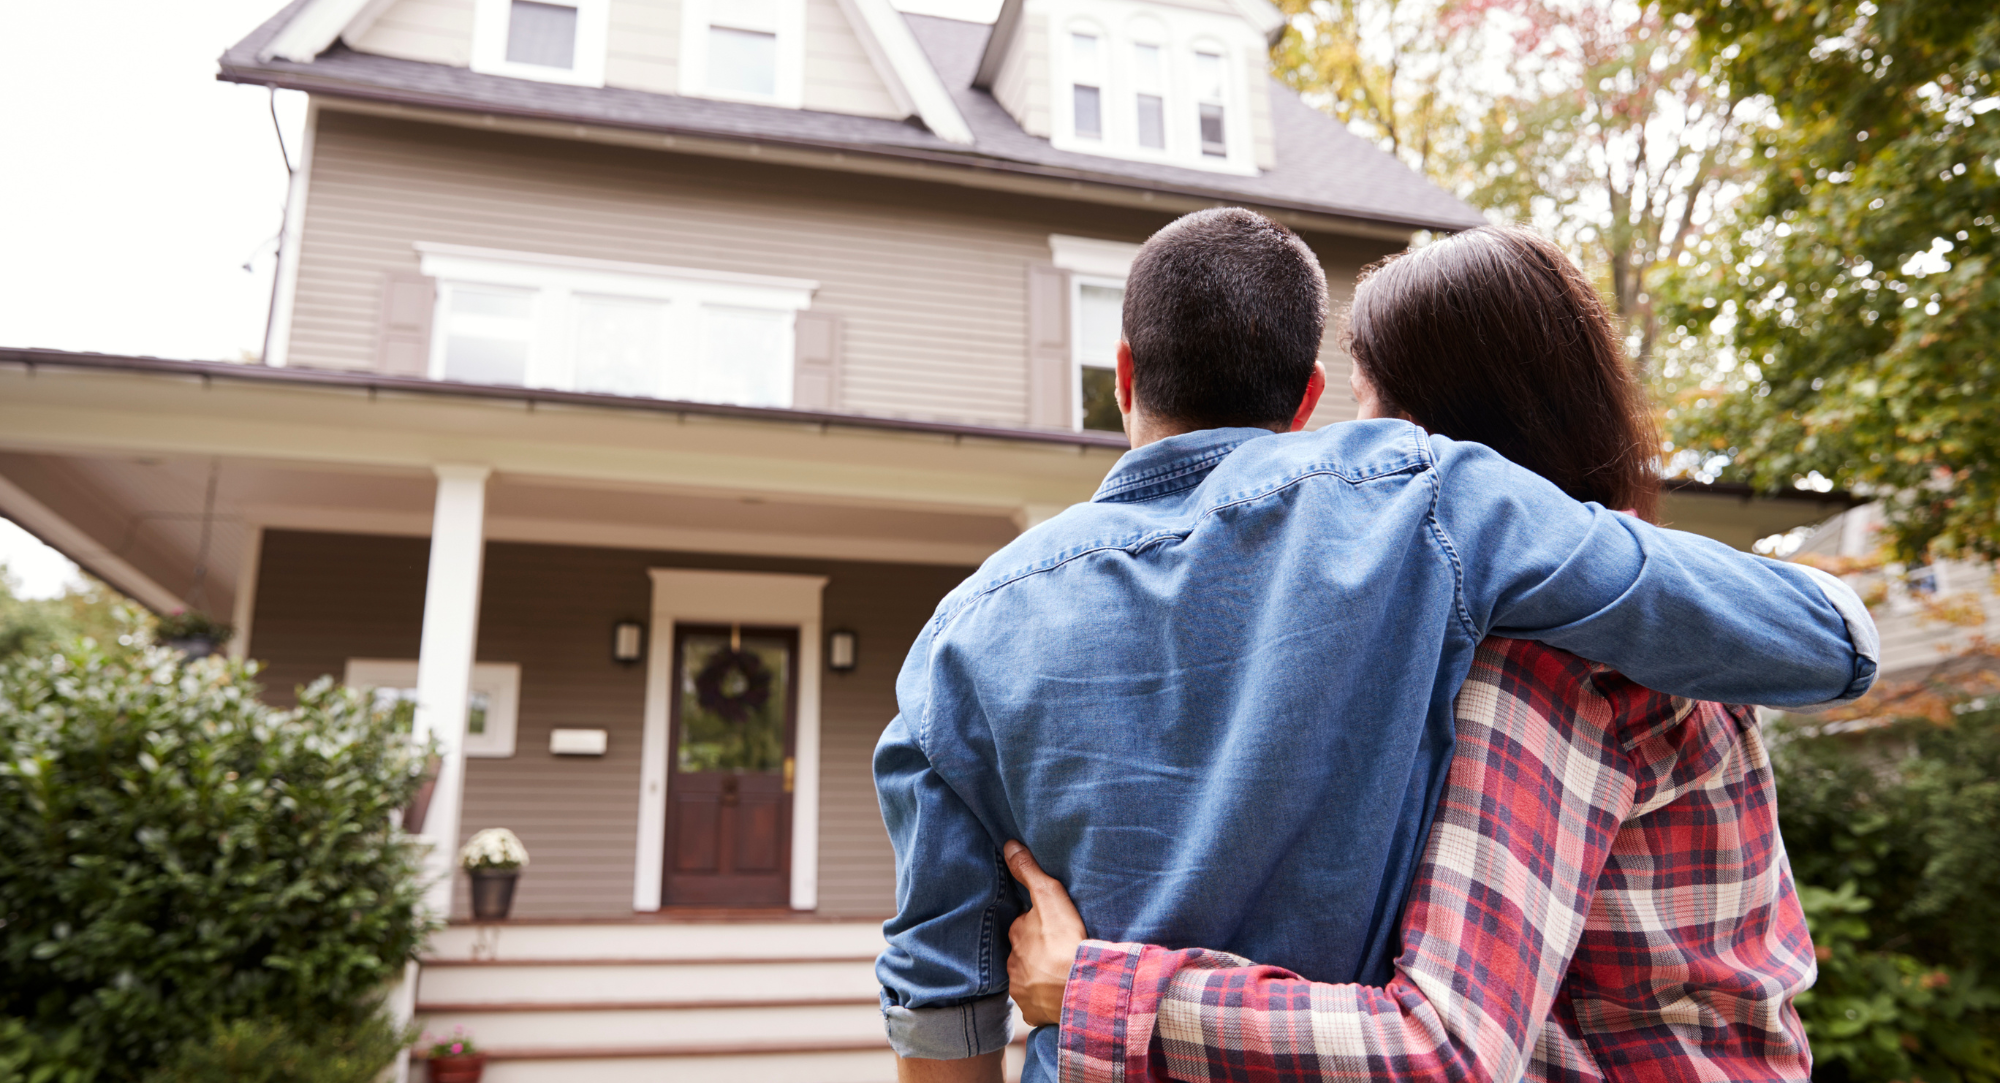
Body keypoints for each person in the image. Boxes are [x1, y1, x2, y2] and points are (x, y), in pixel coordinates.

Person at [873, 210, 1874, 1083]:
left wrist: (1081, 988)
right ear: (1305, 401)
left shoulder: (959, 634)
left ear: (1121, 376)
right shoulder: (1436, 509)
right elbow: (1825, 645)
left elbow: (938, 980)